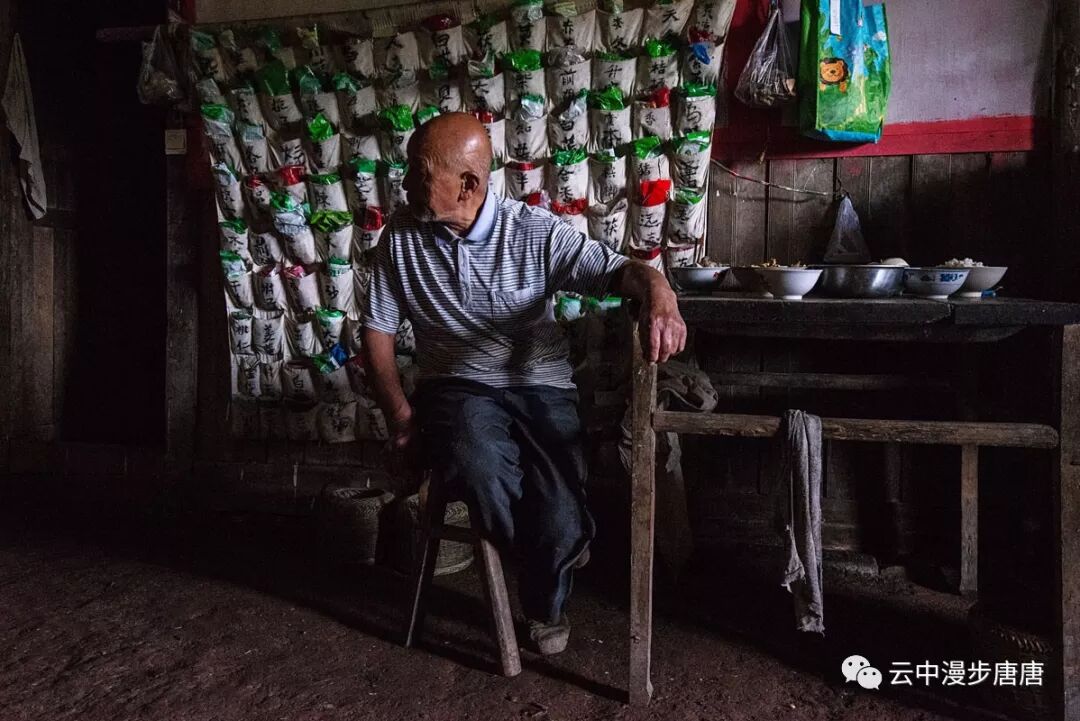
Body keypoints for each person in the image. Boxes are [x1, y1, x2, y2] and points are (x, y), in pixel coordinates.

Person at [362, 112, 685, 655]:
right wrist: (400, 416)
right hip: (456, 387)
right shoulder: (401, 237)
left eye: (419, 171)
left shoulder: (532, 231)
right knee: (477, 463)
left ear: (468, 184)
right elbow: (378, 329)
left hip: (541, 385)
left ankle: (548, 589)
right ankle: (560, 550)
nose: (406, 182)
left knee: (558, 503)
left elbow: (618, 270)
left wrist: (660, 292)